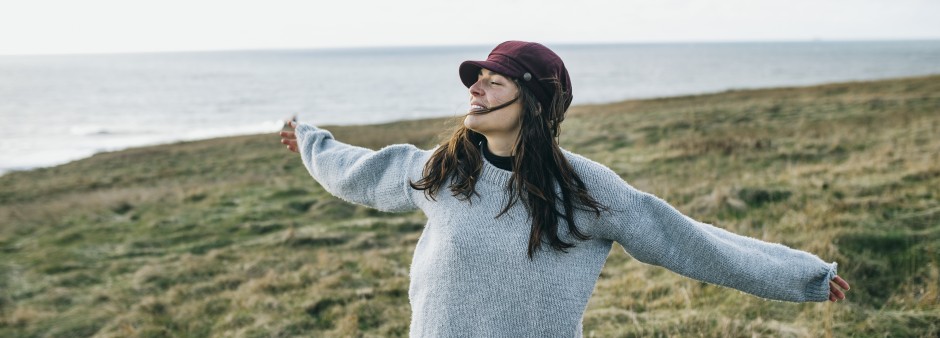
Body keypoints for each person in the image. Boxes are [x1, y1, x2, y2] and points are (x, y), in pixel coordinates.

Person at [279, 40, 850, 337]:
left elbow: (687, 241)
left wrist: (801, 275)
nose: (475, 91)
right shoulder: (445, 170)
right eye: (475, 82)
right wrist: (309, 139)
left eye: (492, 81)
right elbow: (356, 171)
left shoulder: (583, 189)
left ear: (531, 100)